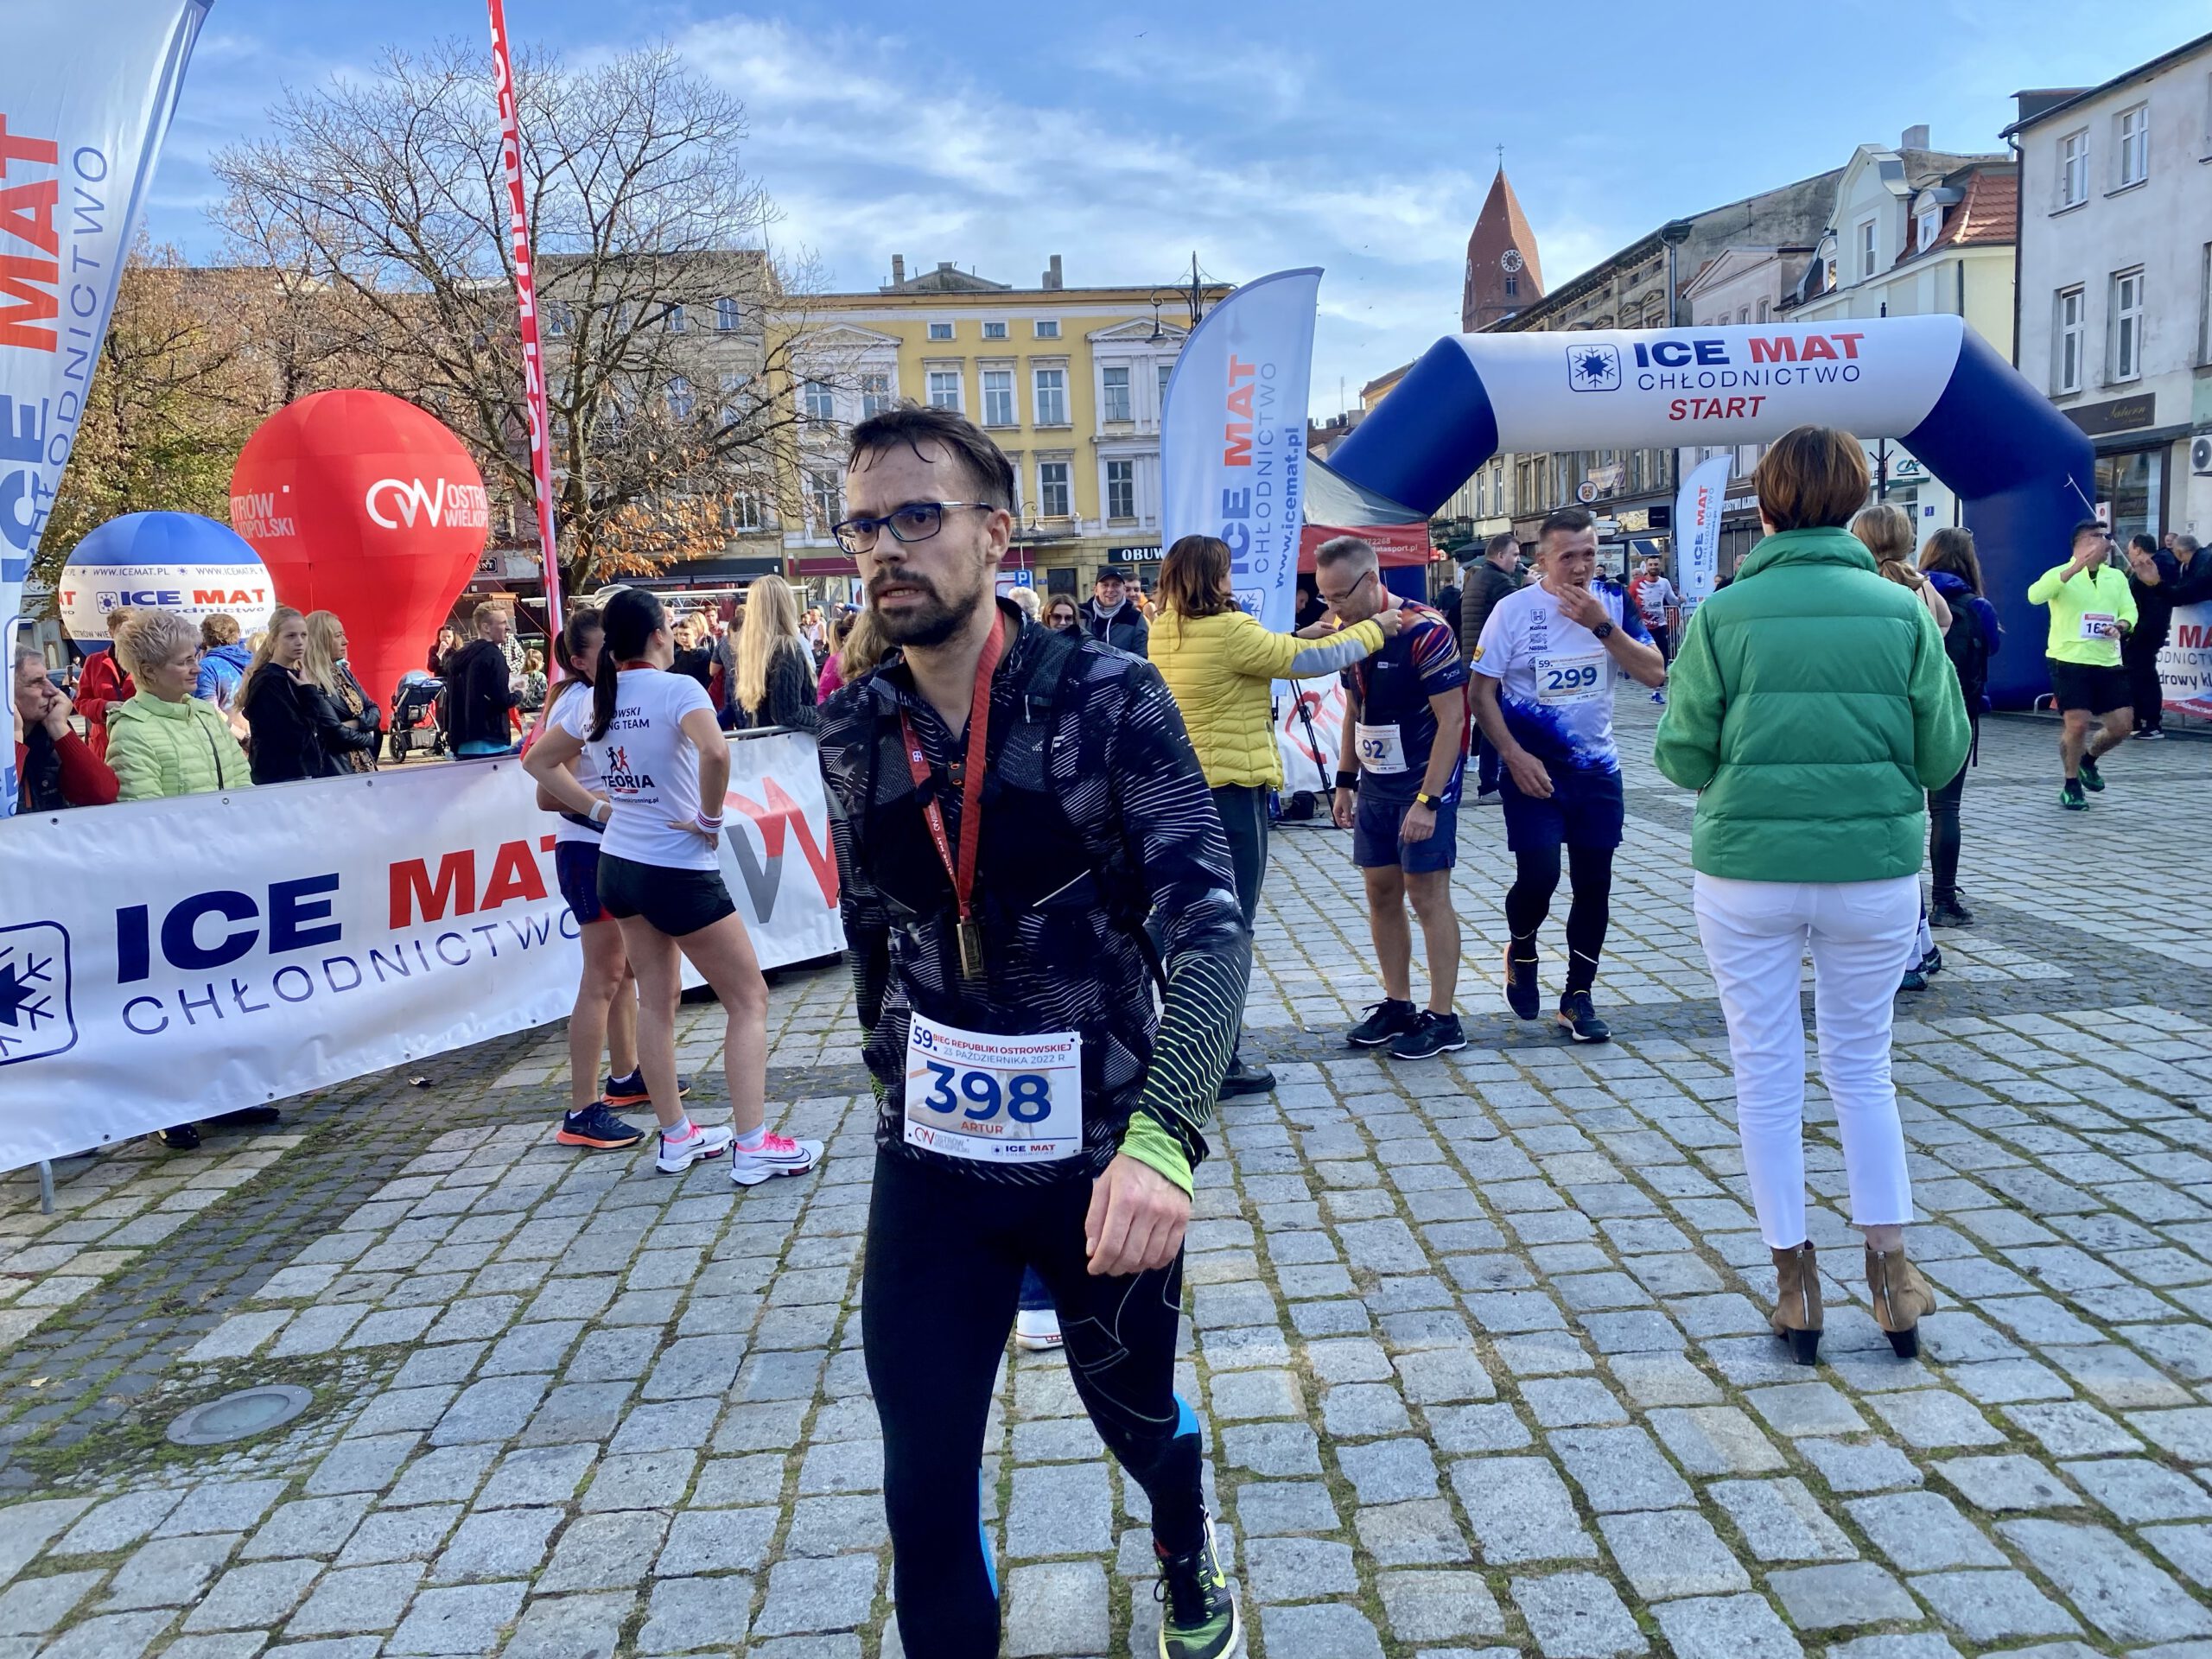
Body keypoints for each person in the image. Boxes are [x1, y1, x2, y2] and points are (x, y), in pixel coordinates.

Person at [816, 403, 1247, 1659]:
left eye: (917, 516)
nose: (885, 548)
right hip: (933, 1162)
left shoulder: (1109, 700)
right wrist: (890, 1071)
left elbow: (1209, 925)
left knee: (1134, 1414)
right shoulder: (852, 726)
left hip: (1101, 1162)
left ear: (997, 534)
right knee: (922, 1482)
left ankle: (1183, 1539)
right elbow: (869, 925)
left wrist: (1165, 1138)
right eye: (863, 526)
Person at [1655, 425, 1969, 1366]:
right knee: (1863, 1067)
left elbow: (1682, 756)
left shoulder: (1723, 614)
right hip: (1871, 867)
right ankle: (1892, 1276)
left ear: (1766, 505)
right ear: (1855, 500)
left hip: (1747, 867)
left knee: (1764, 1069)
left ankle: (1794, 1282)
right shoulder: (1903, 611)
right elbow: (1942, 755)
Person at [526, 586, 821, 1186]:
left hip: (619, 864)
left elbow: (537, 761)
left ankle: (678, 1135)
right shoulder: (677, 689)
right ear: (660, 632)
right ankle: (753, 1143)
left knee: (656, 1002)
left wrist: (599, 810)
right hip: (675, 866)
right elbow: (716, 753)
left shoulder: (597, 697)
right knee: (748, 999)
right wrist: (710, 819)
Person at [1151, 531, 1407, 1095]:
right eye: (1226, 570)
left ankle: (1160, 1020)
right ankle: (1216, 1059)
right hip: (1233, 793)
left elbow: (1259, 655)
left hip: (1183, 792)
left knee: (1184, 916)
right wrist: (1376, 628)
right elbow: (1306, 662)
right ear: (1213, 577)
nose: (1232, 580)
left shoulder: (1166, 628)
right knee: (1230, 926)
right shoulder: (1229, 629)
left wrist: (1295, 636)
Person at [1472, 507, 1667, 1045]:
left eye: (1589, 554)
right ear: (1541, 560)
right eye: (1568, 557)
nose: (1581, 567)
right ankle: (1522, 948)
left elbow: (1654, 673)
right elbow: (1481, 693)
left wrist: (1601, 626)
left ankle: (1578, 997)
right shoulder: (1513, 611)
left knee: (1594, 884)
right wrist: (1512, 755)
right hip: (1533, 771)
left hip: (1597, 770)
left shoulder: (1613, 602)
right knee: (1540, 876)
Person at [1323, 537, 1473, 1060]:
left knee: (1427, 894)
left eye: (1340, 596)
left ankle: (1443, 1017)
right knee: (1381, 893)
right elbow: (1353, 709)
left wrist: (1429, 801)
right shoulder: (1353, 632)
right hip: (1376, 785)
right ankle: (1398, 1004)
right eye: (1326, 598)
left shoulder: (1425, 631)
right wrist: (1345, 781)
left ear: (1371, 580)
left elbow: (1454, 720)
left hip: (1422, 783)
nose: (1333, 609)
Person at [528, 607, 652, 1154]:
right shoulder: (579, 702)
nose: (616, 652)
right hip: (587, 850)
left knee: (621, 972)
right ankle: (580, 1110)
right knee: (602, 977)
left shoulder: (602, 694)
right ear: (579, 660)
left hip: (609, 849)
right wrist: (602, 807)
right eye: (605, 646)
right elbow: (545, 791)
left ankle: (625, 1076)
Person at [1865, 536, 1948, 993]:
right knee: (1899, 855)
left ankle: (1913, 954)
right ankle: (1920, 947)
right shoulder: (1917, 587)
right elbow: (1945, 623)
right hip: (1899, 752)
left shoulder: (1872, 587)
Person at [1918, 528, 2002, 929]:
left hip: (1904, 712)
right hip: (1955, 714)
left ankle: (1899, 900)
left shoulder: (1906, 594)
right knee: (1945, 809)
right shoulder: (1977, 606)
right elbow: (1993, 647)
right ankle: (1944, 901)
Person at [2030, 522, 2138, 811]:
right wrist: (2075, 568)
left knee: (2122, 727)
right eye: (2102, 537)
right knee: (2077, 724)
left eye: (2109, 537)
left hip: (2108, 659)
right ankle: (2071, 783)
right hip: (2068, 659)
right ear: (2084, 541)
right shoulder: (2060, 574)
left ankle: (2088, 761)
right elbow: (2035, 595)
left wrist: (2121, 625)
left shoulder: (2115, 576)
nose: (2109, 543)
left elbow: (2129, 610)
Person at [108, 610, 251, 802]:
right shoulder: (132, 731)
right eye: (185, 662)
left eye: (194, 658)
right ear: (149, 671)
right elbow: (144, 811)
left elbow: (242, 779)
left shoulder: (206, 714)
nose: (197, 668)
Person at [13, 639, 117, 812]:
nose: (52, 690)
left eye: (46, 678)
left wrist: (59, 727)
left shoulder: (48, 732)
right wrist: (14, 737)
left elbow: (103, 793)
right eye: (36, 682)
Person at [1459, 531, 1524, 799]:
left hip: (1476, 658)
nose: (1518, 561)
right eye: (1514, 555)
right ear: (1500, 555)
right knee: (1494, 722)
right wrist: (1529, 584)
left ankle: (1489, 779)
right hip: (1494, 663)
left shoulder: (1478, 578)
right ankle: (1490, 783)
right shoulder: (1499, 581)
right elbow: (1521, 611)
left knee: (1486, 719)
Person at [239, 607, 330, 785]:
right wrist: (310, 694)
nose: (299, 642)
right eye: (291, 636)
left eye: (304, 635)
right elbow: (295, 738)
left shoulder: (296, 675)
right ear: (274, 639)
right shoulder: (269, 681)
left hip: (299, 774)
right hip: (280, 778)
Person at [734, 573, 820, 734]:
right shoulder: (787, 648)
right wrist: (825, 716)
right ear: (785, 605)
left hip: (762, 740)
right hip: (791, 743)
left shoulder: (751, 649)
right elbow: (789, 713)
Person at [303, 611, 382, 776]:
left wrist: (356, 723)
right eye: (338, 636)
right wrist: (369, 736)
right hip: (336, 769)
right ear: (321, 640)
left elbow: (374, 710)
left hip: (364, 766)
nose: (345, 641)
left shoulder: (343, 673)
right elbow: (335, 734)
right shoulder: (310, 681)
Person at [445, 601, 523, 757]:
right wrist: (519, 693)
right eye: (503, 623)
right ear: (486, 627)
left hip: (462, 742)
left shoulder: (460, 656)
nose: (508, 627)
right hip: (492, 742)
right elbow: (502, 699)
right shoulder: (494, 656)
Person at [2124, 532, 2180, 739]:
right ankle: (2137, 718)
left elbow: (2147, 596)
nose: (2129, 555)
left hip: (2147, 627)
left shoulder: (2157, 565)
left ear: (2138, 549)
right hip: (2145, 626)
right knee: (2135, 672)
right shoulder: (2155, 565)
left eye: (2130, 550)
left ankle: (2152, 722)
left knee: (2144, 673)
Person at [74, 607, 136, 761]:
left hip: (141, 739)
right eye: (123, 631)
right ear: (111, 632)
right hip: (105, 743)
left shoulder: (149, 661)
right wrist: (104, 706)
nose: (129, 636)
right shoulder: (94, 661)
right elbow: (81, 702)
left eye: (134, 630)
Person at [1626, 554, 1681, 704]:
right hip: (1642, 627)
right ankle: (1630, 669)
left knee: (1664, 657)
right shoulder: (1637, 584)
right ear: (1646, 566)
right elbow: (1627, 603)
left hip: (1659, 625)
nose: (1653, 567)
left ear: (1660, 566)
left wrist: (1680, 600)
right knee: (1641, 655)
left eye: (1656, 565)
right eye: (1651, 565)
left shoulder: (1664, 583)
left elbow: (1672, 600)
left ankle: (1656, 691)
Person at [194, 614, 253, 716]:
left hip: (226, 726)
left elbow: (209, 713)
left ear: (204, 637)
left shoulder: (207, 667)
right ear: (237, 635)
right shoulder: (255, 661)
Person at [1083, 565, 1150, 656]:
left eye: (1116, 585)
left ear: (1123, 589)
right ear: (1096, 590)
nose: (1110, 590)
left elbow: (1141, 657)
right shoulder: (1080, 614)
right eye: (1105, 585)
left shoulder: (1135, 618)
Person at [518, 647, 549, 714]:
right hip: (537, 709)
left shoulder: (520, 675)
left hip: (522, 709)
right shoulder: (541, 676)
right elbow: (542, 694)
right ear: (538, 663)